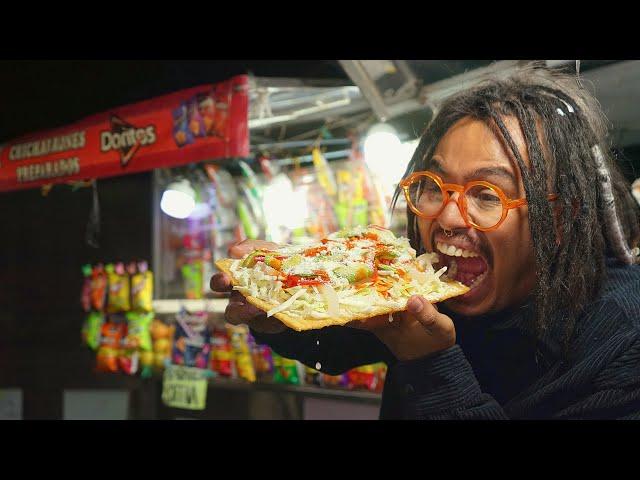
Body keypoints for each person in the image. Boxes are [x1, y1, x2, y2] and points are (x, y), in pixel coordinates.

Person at [211, 64, 640, 419]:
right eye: (434, 186)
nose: (447, 216)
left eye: (487, 194)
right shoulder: (426, 286)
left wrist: (431, 363)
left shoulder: (624, 341)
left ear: (560, 219)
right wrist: (280, 308)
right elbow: (346, 340)